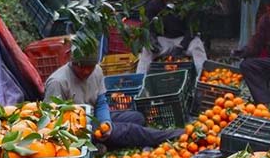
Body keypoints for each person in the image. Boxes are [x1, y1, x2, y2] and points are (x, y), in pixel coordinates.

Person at [45, 32, 183, 149]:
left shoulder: (97, 71)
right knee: (132, 130)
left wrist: (106, 122)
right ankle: (174, 135)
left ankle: (106, 143)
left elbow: (100, 102)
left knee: (137, 117)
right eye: (81, 66)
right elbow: (52, 124)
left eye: (90, 66)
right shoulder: (58, 82)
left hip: (93, 118)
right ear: (72, 61)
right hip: (78, 129)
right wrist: (89, 131)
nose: (86, 71)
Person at [135, 0, 208, 75]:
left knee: (197, 46)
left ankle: (203, 78)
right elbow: (149, 26)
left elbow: (192, 28)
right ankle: (140, 79)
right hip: (164, 40)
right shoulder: (154, 5)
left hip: (183, 38)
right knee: (147, 50)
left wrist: (182, 45)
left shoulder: (185, 4)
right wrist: (152, 40)